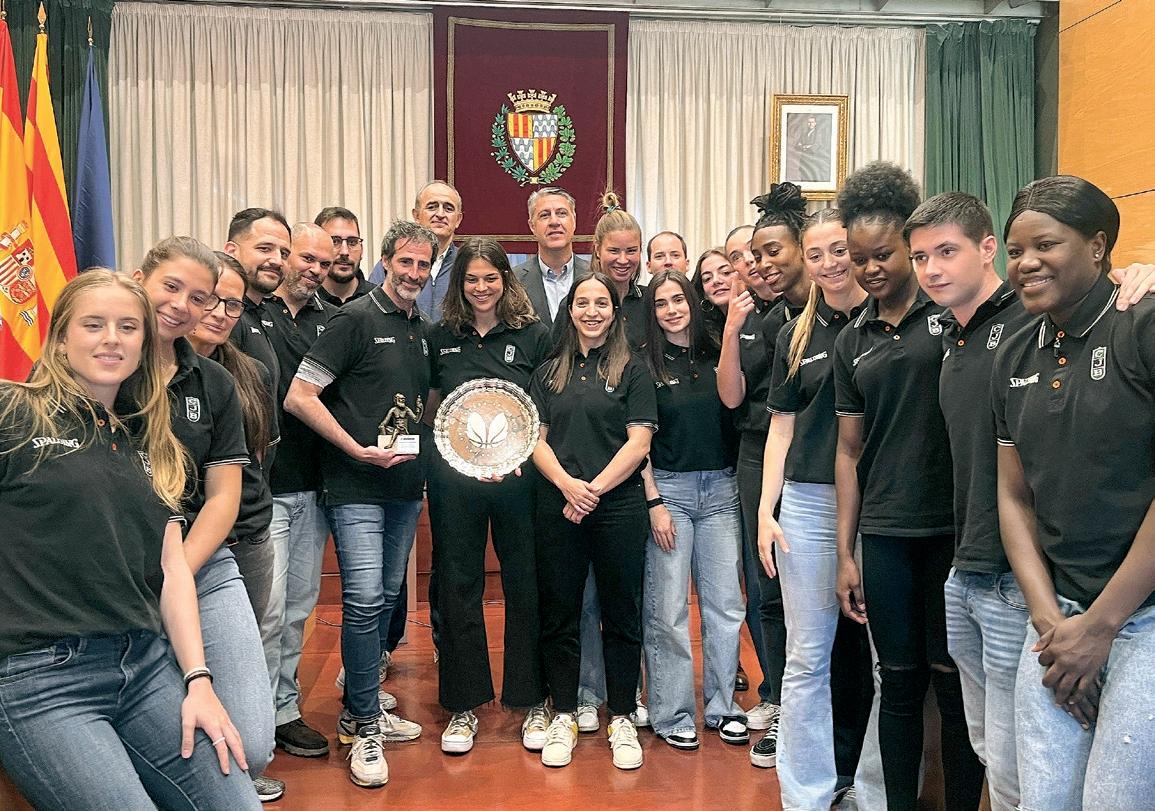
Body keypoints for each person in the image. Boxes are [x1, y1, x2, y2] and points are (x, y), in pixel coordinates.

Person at [0, 270, 261, 810]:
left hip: (143, 667)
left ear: (144, 343)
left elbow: (173, 568)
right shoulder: (13, 411)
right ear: (61, 338)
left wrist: (199, 682)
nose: (111, 339)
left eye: (127, 327)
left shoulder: (149, 438)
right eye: (93, 325)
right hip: (39, 679)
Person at [995, 176, 1155, 810]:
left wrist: (1101, 627)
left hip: (1143, 616)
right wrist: (1053, 625)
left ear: (1097, 245)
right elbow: (1015, 497)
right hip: (1058, 619)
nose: (1027, 262)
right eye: (1016, 250)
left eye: (1046, 244)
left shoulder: (1142, 325)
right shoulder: (1014, 353)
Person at [831, 163, 983, 811]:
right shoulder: (851, 339)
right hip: (885, 534)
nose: (870, 268)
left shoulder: (951, 315)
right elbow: (848, 450)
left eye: (885, 254)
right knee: (896, 684)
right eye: (858, 257)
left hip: (952, 531)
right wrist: (845, 552)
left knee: (951, 688)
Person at [284, 220, 433, 789]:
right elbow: (300, 396)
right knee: (366, 598)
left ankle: (359, 707)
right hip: (354, 488)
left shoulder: (423, 329)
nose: (414, 273)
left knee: (388, 597)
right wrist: (353, 448)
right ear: (386, 261)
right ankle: (365, 723)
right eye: (405, 262)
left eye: (424, 265)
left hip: (404, 489)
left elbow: (425, 409)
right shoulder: (353, 319)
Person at [133, 236, 280, 802]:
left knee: (254, 745)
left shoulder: (215, 382)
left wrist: (177, 574)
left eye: (199, 298)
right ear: (140, 279)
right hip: (121, 565)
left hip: (202, 562)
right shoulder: (107, 367)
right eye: (171, 287)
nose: (183, 306)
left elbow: (223, 499)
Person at [756, 208, 872, 807]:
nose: (829, 264)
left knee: (881, 661)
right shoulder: (794, 334)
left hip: (878, 504)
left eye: (839, 250)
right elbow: (780, 429)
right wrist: (765, 511)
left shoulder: (890, 320)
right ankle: (805, 792)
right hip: (808, 503)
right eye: (817, 253)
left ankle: (871, 789)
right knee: (806, 657)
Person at [425, 238, 553, 755]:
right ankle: (463, 705)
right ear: (459, 284)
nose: (481, 288)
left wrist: (514, 457)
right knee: (458, 587)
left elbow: (544, 409)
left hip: (521, 482)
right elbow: (433, 407)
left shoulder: (534, 335)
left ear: (506, 280)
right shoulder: (440, 336)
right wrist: (460, 456)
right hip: (455, 484)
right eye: (471, 279)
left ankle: (531, 699)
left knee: (526, 585)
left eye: (490, 278)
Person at [530, 271, 658, 770]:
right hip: (558, 505)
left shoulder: (634, 370)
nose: (592, 312)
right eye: (582, 303)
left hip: (618, 507)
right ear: (570, 311)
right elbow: (535, 439)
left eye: (601, 303)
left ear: (614, 311)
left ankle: (621, 715)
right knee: (560, 613)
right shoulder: (548, 372)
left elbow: (639, 444)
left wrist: (592, 491)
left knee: (621, 614)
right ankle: (563, 711)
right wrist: (568, 486)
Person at [718, 183, 812, 769]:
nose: (761, 264)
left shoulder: (829, 314)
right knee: (768, 586)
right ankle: (778, 699)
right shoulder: (763, 320)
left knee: (816, 590)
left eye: (773, 251)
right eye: (754, 255)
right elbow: (739, 399)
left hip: (821, 462)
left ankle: (811, 710)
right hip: (760, 455)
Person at [639, 268, 747, 751]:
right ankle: (672, 712)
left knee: (726, 606)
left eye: (678, 299)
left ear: (692, 302)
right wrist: (654, 502)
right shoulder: (643, 363)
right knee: (668, 609)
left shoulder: (717, 349)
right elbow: (638, 440)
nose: (671, 310)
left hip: (721, 492)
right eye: (661, 303)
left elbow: (734, 399)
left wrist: (731, 333)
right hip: (670, 493)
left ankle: (724, 707)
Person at [257, 224, 345, 762]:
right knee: (265, 611)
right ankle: (253, 716)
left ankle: (283, 710)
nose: (313, 269)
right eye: (305, 258)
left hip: (314, 486)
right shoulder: (248, 313)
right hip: (263, 489)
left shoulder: (331, 320)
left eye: (322, 263)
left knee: (297, 608)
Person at [188, 254, 279, 641]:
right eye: (210, 299)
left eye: (233, 305)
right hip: (181, 538)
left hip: (247, 537)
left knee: (247, 647)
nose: (220, 313)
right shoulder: (149, 371)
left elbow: (261, 455)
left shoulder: (253, 372)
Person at [369, 181, 462, 321]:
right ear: (416, 215)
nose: (440, 214)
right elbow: (373, 311)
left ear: (458, 219)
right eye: (432, 207)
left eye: (448, 208)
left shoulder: (466, 264)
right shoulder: (390, 264)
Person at [223, 208, 291, 397]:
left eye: (284, 253)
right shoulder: (222, 316)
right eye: (264, 249)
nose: (277, 261)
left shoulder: (265, 314)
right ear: (231, 252)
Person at [515, 186, 589, 329]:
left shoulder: (595, 275)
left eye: (562, 213)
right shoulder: (514, 281)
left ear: (574, 221)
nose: (554, 221)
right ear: (532, 226)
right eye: (544, 215)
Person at [587, 192, 647, 348]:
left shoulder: (651, 301)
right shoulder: (578, 302)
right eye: (614, 251)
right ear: (598, 250)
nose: (623, 260)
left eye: (631, 251)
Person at [315, 206, 374, 305]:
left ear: (362, 249)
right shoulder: (304, 301)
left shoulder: (378, 300)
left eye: (352, 242)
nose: (344, 252)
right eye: (335, 241)